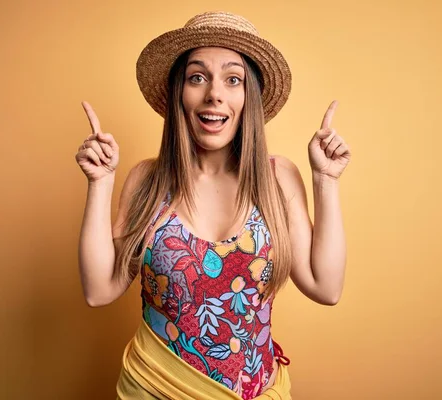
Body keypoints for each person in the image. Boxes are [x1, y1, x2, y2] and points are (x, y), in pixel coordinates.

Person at [75, 11, 350, 400]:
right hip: (156, 389)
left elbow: (327, 286)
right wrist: (100, 182)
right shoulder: (147, 181)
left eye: (232, 79)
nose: (214, 94)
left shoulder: (278, 179)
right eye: (197, 77)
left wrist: (327, 180)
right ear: (179, 93)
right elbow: (99, 289)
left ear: (248, 96)